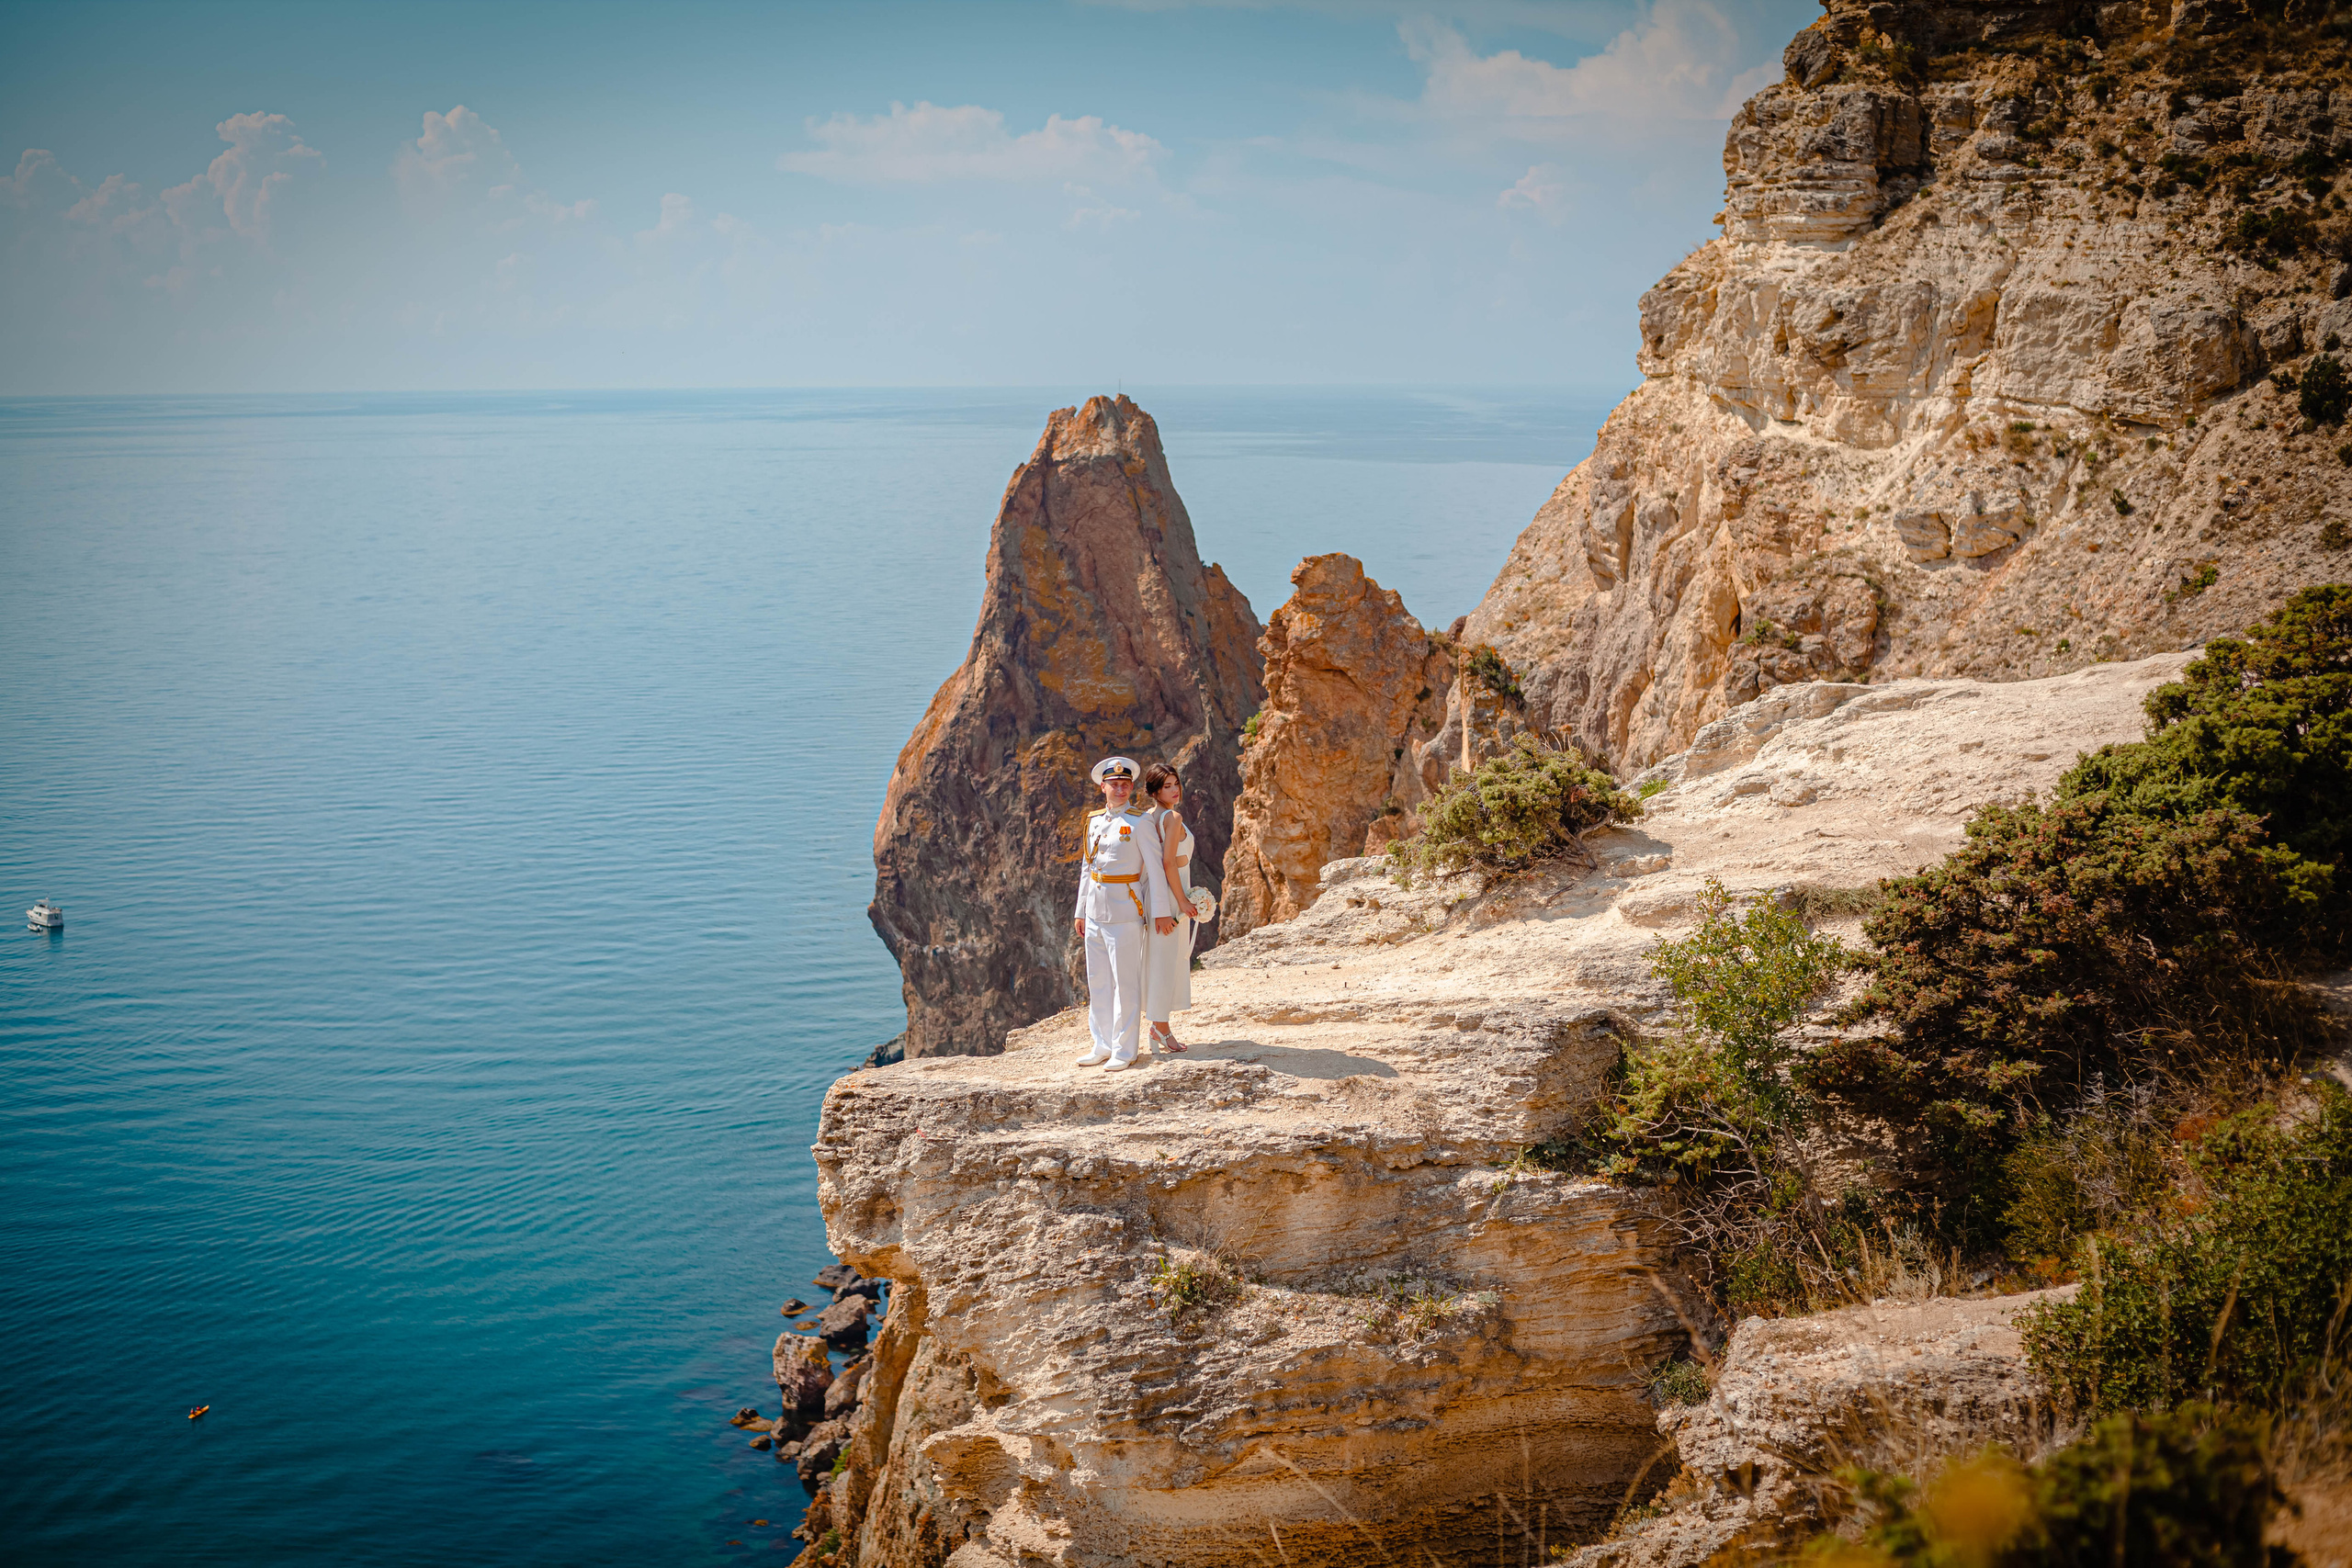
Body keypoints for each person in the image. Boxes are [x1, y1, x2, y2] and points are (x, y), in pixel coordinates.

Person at [1072, 756, 1178, 1070]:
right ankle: (1102, 1044)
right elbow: (1087, 868)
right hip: (1094, 911)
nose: (1120, 789)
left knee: (1126, 983)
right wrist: (1080, 911)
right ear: (1102, 787)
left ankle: (1125, 1049)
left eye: (1125, 784)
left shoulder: (1140, 822)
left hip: (1126, 911)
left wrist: (1159, 911)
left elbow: (1157, 871)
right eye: (1113, 784)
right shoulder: (1093, 821)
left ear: (1131, 787)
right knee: (1099, 982)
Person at [1139, 762, 1202, 1053]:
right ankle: (1160, 1029)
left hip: (1158, 894)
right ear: (1155, 790)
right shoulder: (1172, 817)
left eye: (1176, 783)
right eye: (1167, 786)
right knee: (1166, 962)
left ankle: (1158, 1025)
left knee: (1159, 960)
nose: (1175, 790)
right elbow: (1167, 862)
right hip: (1170, 893)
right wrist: (1183, 901)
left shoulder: (1150, 816)